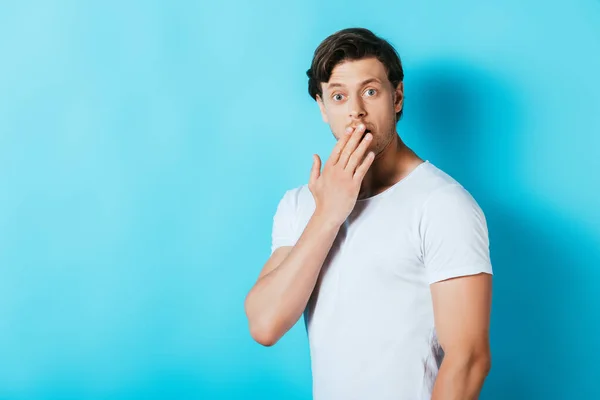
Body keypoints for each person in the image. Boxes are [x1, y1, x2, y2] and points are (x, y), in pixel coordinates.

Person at [244, 27, 493, 400]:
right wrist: (328, 214)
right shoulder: (300, 205)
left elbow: (469, 358)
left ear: (397, 97)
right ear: (323, 108)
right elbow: (265, 324)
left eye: (371, 91)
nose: (356, 110)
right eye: (339, 96)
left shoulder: (442, 204)